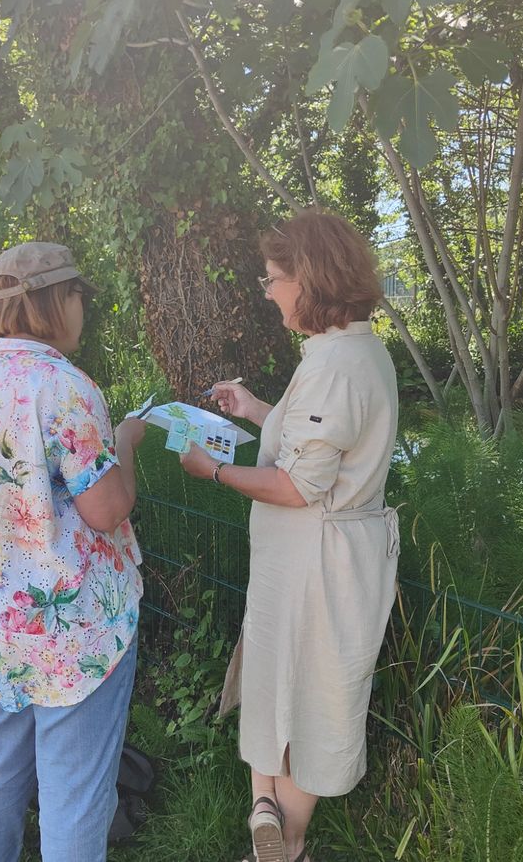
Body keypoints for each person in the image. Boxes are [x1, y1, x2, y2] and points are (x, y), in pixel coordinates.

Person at [178, 211, 400, 862]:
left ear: (310, 279)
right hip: (311, 557)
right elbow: (318, 444)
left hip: (317, 564)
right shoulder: (350, 351)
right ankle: (269, 817)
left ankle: (284, 839)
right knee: (286, 682)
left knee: (307, 698)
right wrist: (255, 410)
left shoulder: (335, 366)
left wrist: (213, 469)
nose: (268, 291)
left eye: (273, 278)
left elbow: (300, 485)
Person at [0, 242, 147, 862]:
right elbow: (107, 509)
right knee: (74, 787)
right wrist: (126, 440)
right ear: (58, 299)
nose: (84, 310)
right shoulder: (64, 386)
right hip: (68, 625)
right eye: (80, 297)